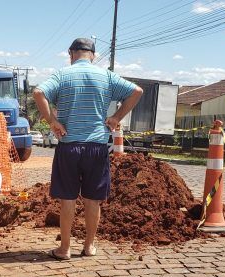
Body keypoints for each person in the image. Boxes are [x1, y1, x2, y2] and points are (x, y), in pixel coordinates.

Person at [33, 38, 143, 260]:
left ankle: (64, 249)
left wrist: (53, 121)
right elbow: (137, 91)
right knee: (93, 200)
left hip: (69, 145)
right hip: (96, 146)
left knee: (68, 200)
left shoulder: (62, 74)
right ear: (92, 54)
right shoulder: (106, 76)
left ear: (71, 53)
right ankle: (89, 247)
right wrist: (116, 117)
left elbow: (38, 93)